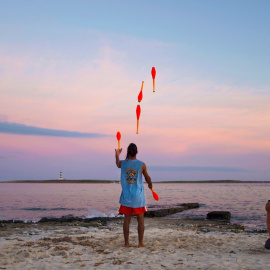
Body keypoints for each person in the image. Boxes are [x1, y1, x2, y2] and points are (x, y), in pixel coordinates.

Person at [115, 143, 153, 248]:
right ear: (136, 152)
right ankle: (140, 243)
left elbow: (117, 163)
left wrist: (117, 154)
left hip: (126, 197)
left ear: (128, 152)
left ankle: (126, 244)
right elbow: (147, 177)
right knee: (140, 220)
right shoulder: (142, 164)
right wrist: (150, 184)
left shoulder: (123, 163)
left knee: (126, 220)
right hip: (138, 197)